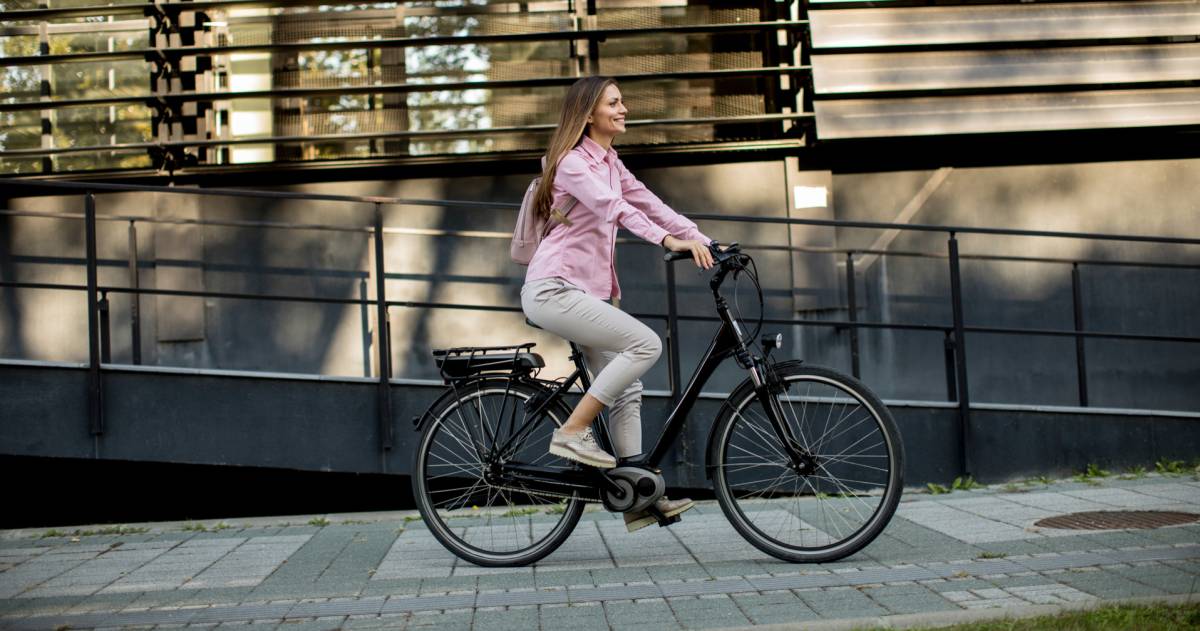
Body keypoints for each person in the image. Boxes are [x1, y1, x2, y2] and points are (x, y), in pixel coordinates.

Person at [520, 76, 715, 532]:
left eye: (622, 101)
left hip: (584, 295)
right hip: (553, 289)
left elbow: (650, 203)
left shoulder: (610, 162)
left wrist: (707, 241)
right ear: (589, 114)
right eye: (614, 102)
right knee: (645, 345)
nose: (623, 108)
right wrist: (667, 240)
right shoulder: (571, 163)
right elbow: (615, 209)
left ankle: (637, 494)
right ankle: (571, 431)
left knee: (628, 388)